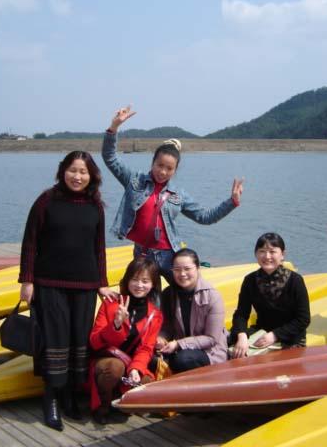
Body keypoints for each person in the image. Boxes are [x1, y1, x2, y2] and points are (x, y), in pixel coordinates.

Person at [18, 151, 116, 431]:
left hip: (85, 286)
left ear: (91, 176)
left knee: (78, 342)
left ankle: (70, 395)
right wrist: (27, 280)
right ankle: (50, 398)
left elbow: (99, 248)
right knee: (54, 341)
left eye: (83, 172)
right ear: (63, 171)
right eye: (73, 170)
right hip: (50, 284)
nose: (77, 176)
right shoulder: (46, 201)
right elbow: (30, 242)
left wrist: (102, 282)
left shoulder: (95, 206)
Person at [102, 105, 244, 281]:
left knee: (184, 293)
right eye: (160, 165)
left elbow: (205, 217)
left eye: (169, 168)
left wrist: (232, 202)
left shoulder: (178, 195)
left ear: (175, 170)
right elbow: (110, 157)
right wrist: (114, 127)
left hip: (170, 256)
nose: (163, 172)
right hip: (142, 254)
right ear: (152, 163)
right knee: (141, 295)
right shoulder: (135, 181)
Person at [88, 257, 163, 425]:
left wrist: (136, 369)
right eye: (135, 279)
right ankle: (103, 405)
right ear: (127, 280)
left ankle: (121, 399)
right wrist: (116, 324)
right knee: (115, 367)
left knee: (146, 382)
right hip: (106, 360)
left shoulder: (155, 315)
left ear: (153, 285)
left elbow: (146, 349)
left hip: (131, 362)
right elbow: (94, 342)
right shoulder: (110, 304)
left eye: (145, 281)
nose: (139, 285)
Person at [230, 233, 310, 358]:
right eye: (262, 251)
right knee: (229, 344)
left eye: (272, 252)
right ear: (256, 254)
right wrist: (242, 335)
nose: (267, 256)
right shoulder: (250, 280)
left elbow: (303, 319)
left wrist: (275, 335)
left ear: (282, 254)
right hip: (261, 332)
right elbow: (241, 313)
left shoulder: (295, 281)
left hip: (289, 337)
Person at [156, 248, 227, 373]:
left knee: (182, 360)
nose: (182, 274)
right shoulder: (168, 294)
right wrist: (161, 339)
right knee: (150, 356)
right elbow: (167, 327)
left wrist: (179, 344)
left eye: (187, 269)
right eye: (177, 269)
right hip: (177, 347)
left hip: (208, 351)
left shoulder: (212, 296)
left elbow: (211, 338)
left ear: (198, 268)